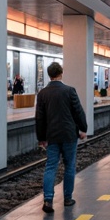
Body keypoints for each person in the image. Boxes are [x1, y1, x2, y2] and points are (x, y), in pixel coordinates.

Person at [35, 62, 88, 212]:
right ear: (61, 73)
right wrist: (83, 128)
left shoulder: (43, 94)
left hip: (51, 135)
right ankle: (67, 198)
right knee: (69, 165)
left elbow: (39, 118)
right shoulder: (69, 91)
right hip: (69, 135)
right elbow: (78, 111)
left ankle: (48, 200)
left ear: (49, 74)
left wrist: (41, 138)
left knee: (51, 166)